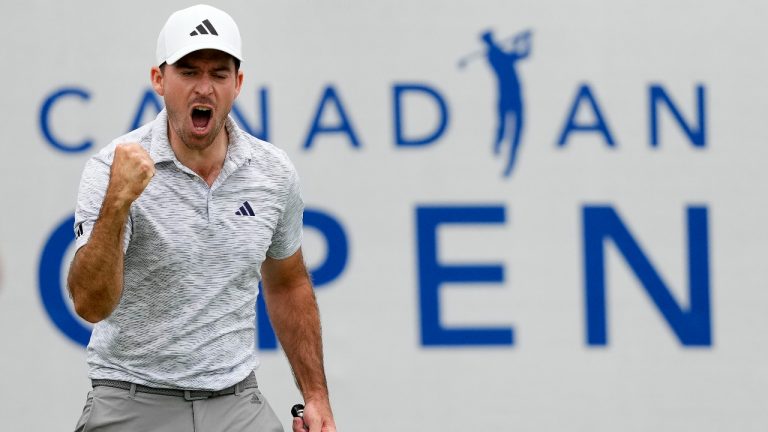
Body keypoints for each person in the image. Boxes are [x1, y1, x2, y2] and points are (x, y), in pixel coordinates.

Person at [67, 5, 335, 432]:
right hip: (132, 397)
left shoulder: (272, 171)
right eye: (189, 72)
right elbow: (89, 304)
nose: (204, 88)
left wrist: (316, 397)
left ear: (238, 83)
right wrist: (118, 202)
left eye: (219, 73)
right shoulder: (111, 169)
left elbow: (288, 282)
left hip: (236, 400)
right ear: (159, 79)